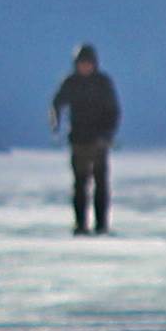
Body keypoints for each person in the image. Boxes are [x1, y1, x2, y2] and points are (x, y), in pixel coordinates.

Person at [47, 45, 120, 235]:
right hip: (78, 140)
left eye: (88, 63)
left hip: (99, 141)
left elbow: (113, 111)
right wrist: (55, 122)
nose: (85, 67)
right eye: (82, 63)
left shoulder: (103, 83)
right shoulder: (71, 82)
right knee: (80, 184)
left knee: (101, 183)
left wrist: (108, 133)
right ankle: (81, 224)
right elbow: (56, 102)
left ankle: (101, 224)